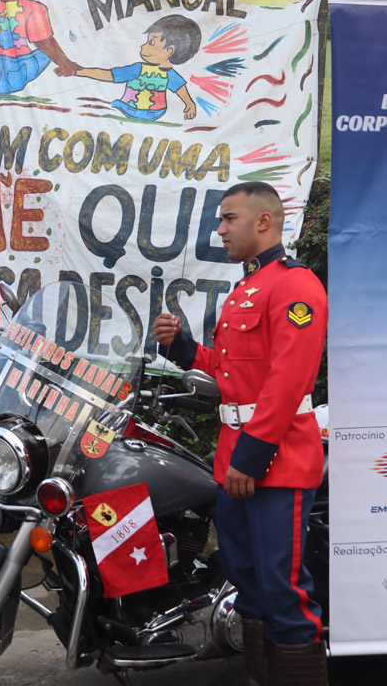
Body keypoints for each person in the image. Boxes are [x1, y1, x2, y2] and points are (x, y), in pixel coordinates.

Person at [153, 181, 328, 686]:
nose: (221, 229)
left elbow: (285, 382)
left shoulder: (295, 286)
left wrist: (250, 460)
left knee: (282, 590)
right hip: (234, 456)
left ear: (264, 221)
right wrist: (185, 349)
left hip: (273, 460)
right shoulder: (247, 288)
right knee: (247, 584)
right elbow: (236, 377)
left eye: (229, 219)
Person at [76, 15, 200, 121]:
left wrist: (78, 71)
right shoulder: (170, 74)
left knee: (112, 104)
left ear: (169, 50)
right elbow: (180, 88)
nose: (143, 46)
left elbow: (109, 75)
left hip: (131, 109)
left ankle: (115, 104)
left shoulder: (138, 69)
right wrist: (189, 104)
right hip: (157, 112)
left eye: (151, 42)